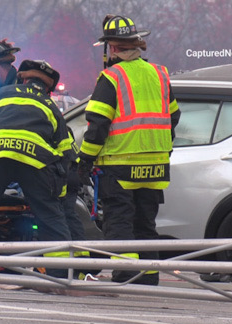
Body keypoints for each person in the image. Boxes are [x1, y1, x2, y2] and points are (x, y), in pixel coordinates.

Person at [77, 15, 181, 286]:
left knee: (119, 222)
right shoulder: (160, 73)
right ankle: (147, 275)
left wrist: (84, 161)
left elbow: (97, 126)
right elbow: (174, 116)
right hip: (156, 165)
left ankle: (125, 273)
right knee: (146, 224)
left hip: (120, 166)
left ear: (112, 48)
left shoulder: (111, 78)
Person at [0, 60, 73, 270]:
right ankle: (61, 272)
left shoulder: (2, 94)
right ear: (46, 88)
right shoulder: (50, 105)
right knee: (50, 216)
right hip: (35, 161)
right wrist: (58, 191)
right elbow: (64, 151)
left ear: (23, 78)